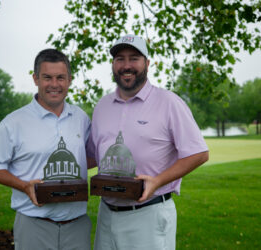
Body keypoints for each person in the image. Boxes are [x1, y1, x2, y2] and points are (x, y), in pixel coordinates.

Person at [86, 34, 209, 250]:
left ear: (147, 63)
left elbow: (198, 153)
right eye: (120, 59)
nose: (126, 65)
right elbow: (93, 156)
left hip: (148, 215)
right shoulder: (102, 106)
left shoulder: (169, 102)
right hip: (106, 214)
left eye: (134, 58)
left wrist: (157, 181)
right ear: (113, 64)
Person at [0, 49, 92, 250]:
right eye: (47, 77)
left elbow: (89, 156)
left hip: (77, 226)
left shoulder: (81, 118)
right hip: (34, 225)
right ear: (35, 79)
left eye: (60, 78)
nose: (55, 84)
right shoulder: (14, 122)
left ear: (70, 80)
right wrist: (24, 186)